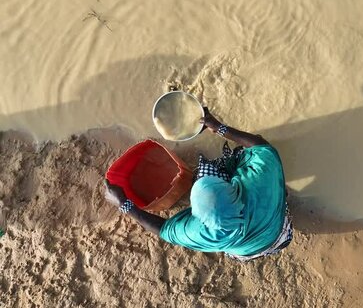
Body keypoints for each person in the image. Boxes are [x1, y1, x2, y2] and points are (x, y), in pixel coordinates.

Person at [103, 108, 292, 261]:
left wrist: (123, 204)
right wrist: (219, 128)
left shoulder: (207, 233)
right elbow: (260, 145)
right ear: (230, 188)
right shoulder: (258, 181)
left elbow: (165, 230)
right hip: (279, 225)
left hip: (254, 249)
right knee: (249, 156)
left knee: (209, 167)